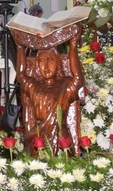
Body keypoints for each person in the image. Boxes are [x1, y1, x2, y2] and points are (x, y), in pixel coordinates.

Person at [15, 24, 84, 156]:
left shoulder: (65, 86)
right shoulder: (34, 87)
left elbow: (78, 78)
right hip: (39, 137)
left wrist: (73, 45)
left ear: (58, 64)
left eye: (50, 60)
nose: (46, 65)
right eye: (41, 61)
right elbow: (21, 75)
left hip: (60, 138)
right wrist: (19, 47)